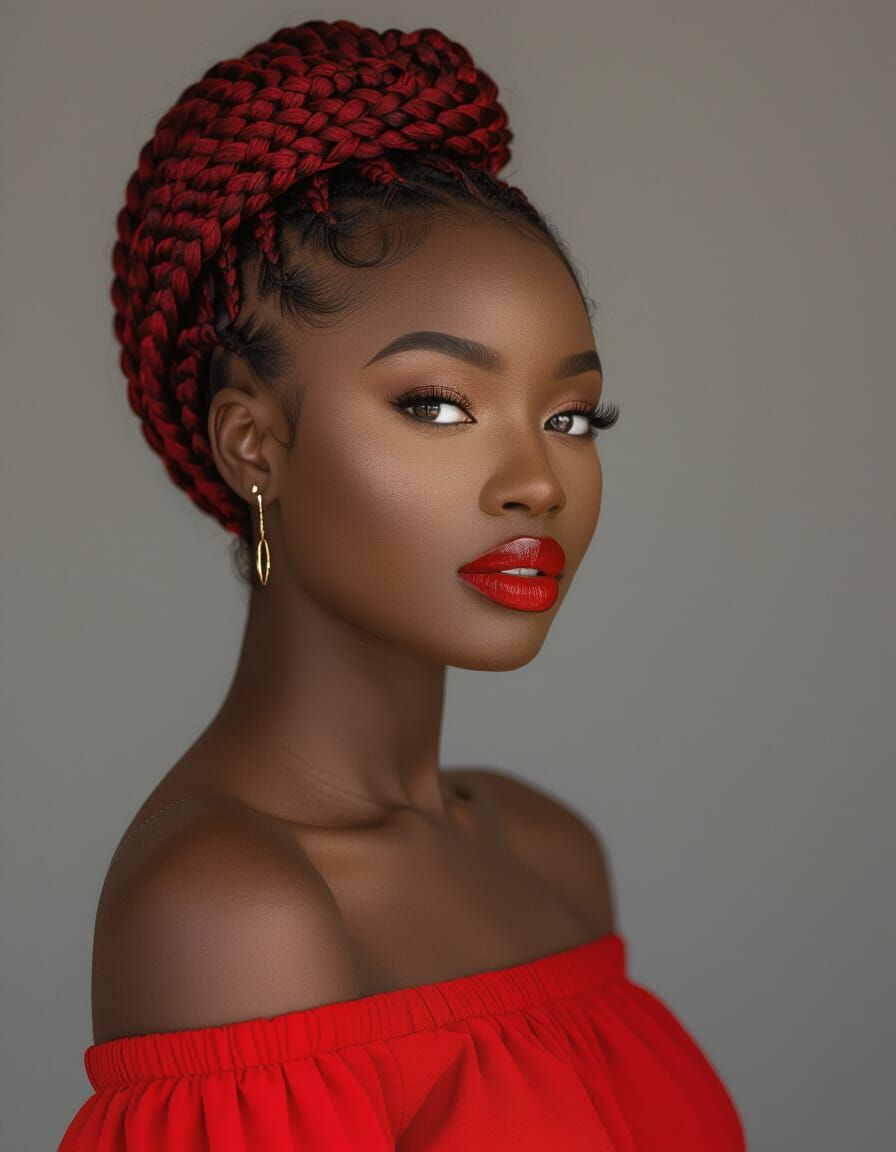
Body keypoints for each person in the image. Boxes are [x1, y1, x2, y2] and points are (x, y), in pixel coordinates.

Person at [57, 18, 746, 1151]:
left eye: (570, 416)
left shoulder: (545, 849)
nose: (536, 481)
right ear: (252, 445)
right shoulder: (228, 907)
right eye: (436, 405)